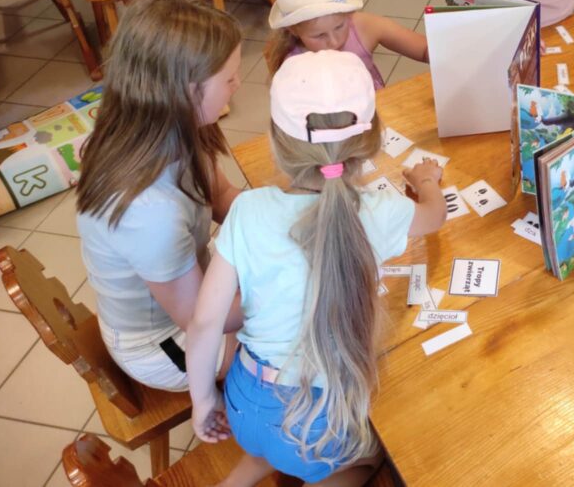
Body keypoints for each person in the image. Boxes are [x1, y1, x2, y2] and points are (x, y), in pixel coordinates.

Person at [187, 50, 447, 486]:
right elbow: (435, 217)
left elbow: (203, 323)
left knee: (271, 444)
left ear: (275, 142)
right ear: (371, 141)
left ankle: (239, 477)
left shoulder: (247, 210)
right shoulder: (379, 210)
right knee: (372, 458)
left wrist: (202, 402)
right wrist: (425, 182)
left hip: (243, 403)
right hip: (317, 424)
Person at [75, 0, 244, 391]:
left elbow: (222, 196)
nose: (239, 84)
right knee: (290, 342)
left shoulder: (166, 128)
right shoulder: (151, 212)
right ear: (185, 91)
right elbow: (203, 319)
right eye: (229, 78)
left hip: (190, 295)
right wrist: (293, 287)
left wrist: (282, 219)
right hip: (165, 345)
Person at [264, 0, 428, 87]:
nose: (334, 42)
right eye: (319, 35)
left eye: (340, 26)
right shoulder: (294, 66)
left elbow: (424, 49)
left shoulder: (363, 27)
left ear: (347, 14)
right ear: (293, 30)